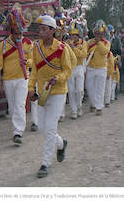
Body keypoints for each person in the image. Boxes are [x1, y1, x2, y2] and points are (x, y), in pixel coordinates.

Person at [28, 13, 72, 178]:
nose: (40, 32)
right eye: (39, 29)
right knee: (41, 128)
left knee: (51, 127)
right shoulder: (36, 48)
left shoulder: (62, 49)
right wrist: (31, 89)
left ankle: (45, 164)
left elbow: (68, 70)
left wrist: (58, 78)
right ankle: (61, 144)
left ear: (53, 31)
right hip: (42, 93)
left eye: (44, 29)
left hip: (58, 92)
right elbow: (35, 72)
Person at [0, 9, 33, 144]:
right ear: (11, 32)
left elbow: (34, 60)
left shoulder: (28, 43)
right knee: (12, 107)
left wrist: (28, 62)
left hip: (23, 77)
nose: (18, 36)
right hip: (8, 80)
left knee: (20, 105)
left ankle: (18, 132)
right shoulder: (3, 44)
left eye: (20, 33)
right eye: (16, 33)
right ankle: (16, 128)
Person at [85, 20, 110, 116]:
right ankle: (92, 104)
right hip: (91, 68)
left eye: (101, 34)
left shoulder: (106, 43)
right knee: (90, 88)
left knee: (100, 89)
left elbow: (105, 52)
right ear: (95, 33)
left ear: (104, 34)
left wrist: (99, 43)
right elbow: (85, 53)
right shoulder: (89, 42)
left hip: (102, 68)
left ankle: (99, 107)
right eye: (98, 33)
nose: (99, 35)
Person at [66, 21, 87, 119]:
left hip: (79, 67)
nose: (71, 37)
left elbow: (83, 54)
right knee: (71, 90)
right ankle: (73, 110)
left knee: (79, 90)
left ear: (77, 35)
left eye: (73, 35)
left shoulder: (83, 43)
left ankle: (79, 106)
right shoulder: (67, 44)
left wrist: (73, 48)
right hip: (70, 68)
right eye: (70, 35)